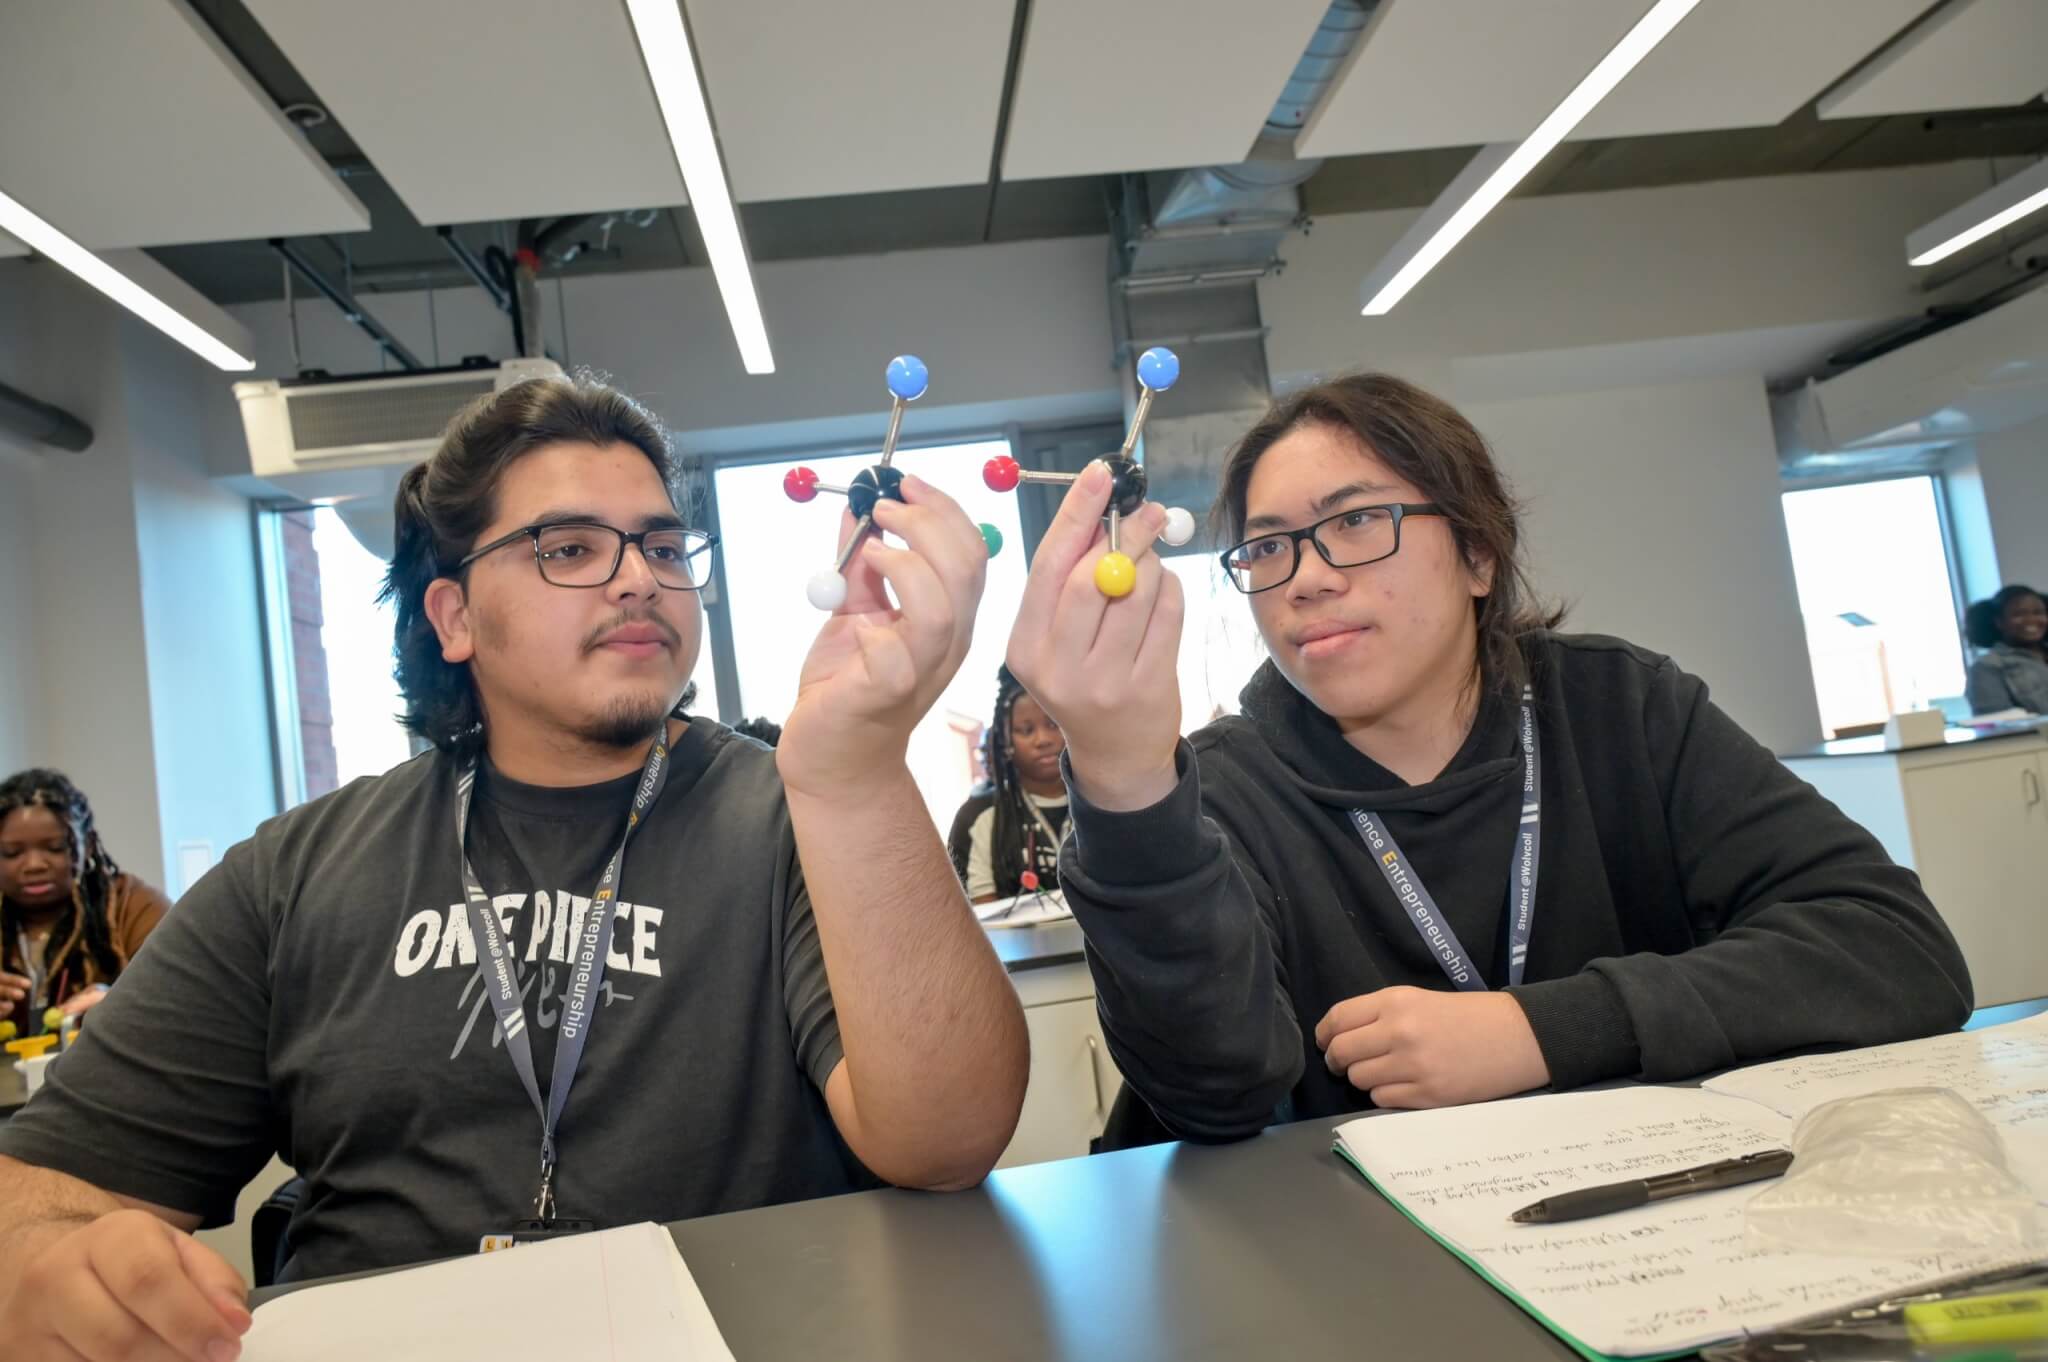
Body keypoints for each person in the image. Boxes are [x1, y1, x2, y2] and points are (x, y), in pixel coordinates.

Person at [0, 375, 1028, 1359]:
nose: (639, 577)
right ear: (454, 618)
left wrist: (857, 774)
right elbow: (38, 1188)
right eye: (568, 548)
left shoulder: (797, 812)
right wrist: (52, 1265)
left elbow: (947, 1143)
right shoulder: (297, 870)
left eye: (662, 546)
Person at [1007, 372, 1972, 1145]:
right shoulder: (1218, 790)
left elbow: (1896, 949)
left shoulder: (1619, 708)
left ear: (1478, 553)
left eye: (1356, 522)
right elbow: (1212, 1096)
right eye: (1267, 549)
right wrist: (1126, 780)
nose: (1306, 578)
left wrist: (1545, 1030)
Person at [0, 770, 171, 1036]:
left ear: (88, 845)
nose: (34, 865)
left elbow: (186, 1002)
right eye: (12, 853)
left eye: (55, 847)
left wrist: (124, 1003)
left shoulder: (136, 908)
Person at [947, 668, 1068, 903]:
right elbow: (977, 909)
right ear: (1005, 741)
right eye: (1026, 730)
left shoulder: (1104, 805)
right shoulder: (979, 817)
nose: (1043, 740)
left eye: (1053, 724)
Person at [1964, 585, 2048, 715]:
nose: (2031, 620)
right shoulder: (1987, 666)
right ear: (1999, 622)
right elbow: (1997, 720)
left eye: (2038, 613)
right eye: (2019, 614)